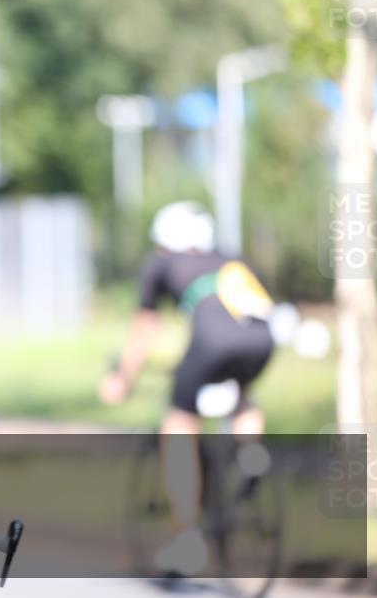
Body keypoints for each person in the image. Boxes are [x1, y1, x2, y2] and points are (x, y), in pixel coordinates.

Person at [99, 201, 275, 576]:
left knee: (179, 424)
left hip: (212, 341)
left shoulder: (161, 264)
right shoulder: (232, 258)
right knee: (240, 395)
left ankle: (187, 539)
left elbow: (144, 331)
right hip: (262, 339)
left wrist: (123, 378)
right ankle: (250, 453)